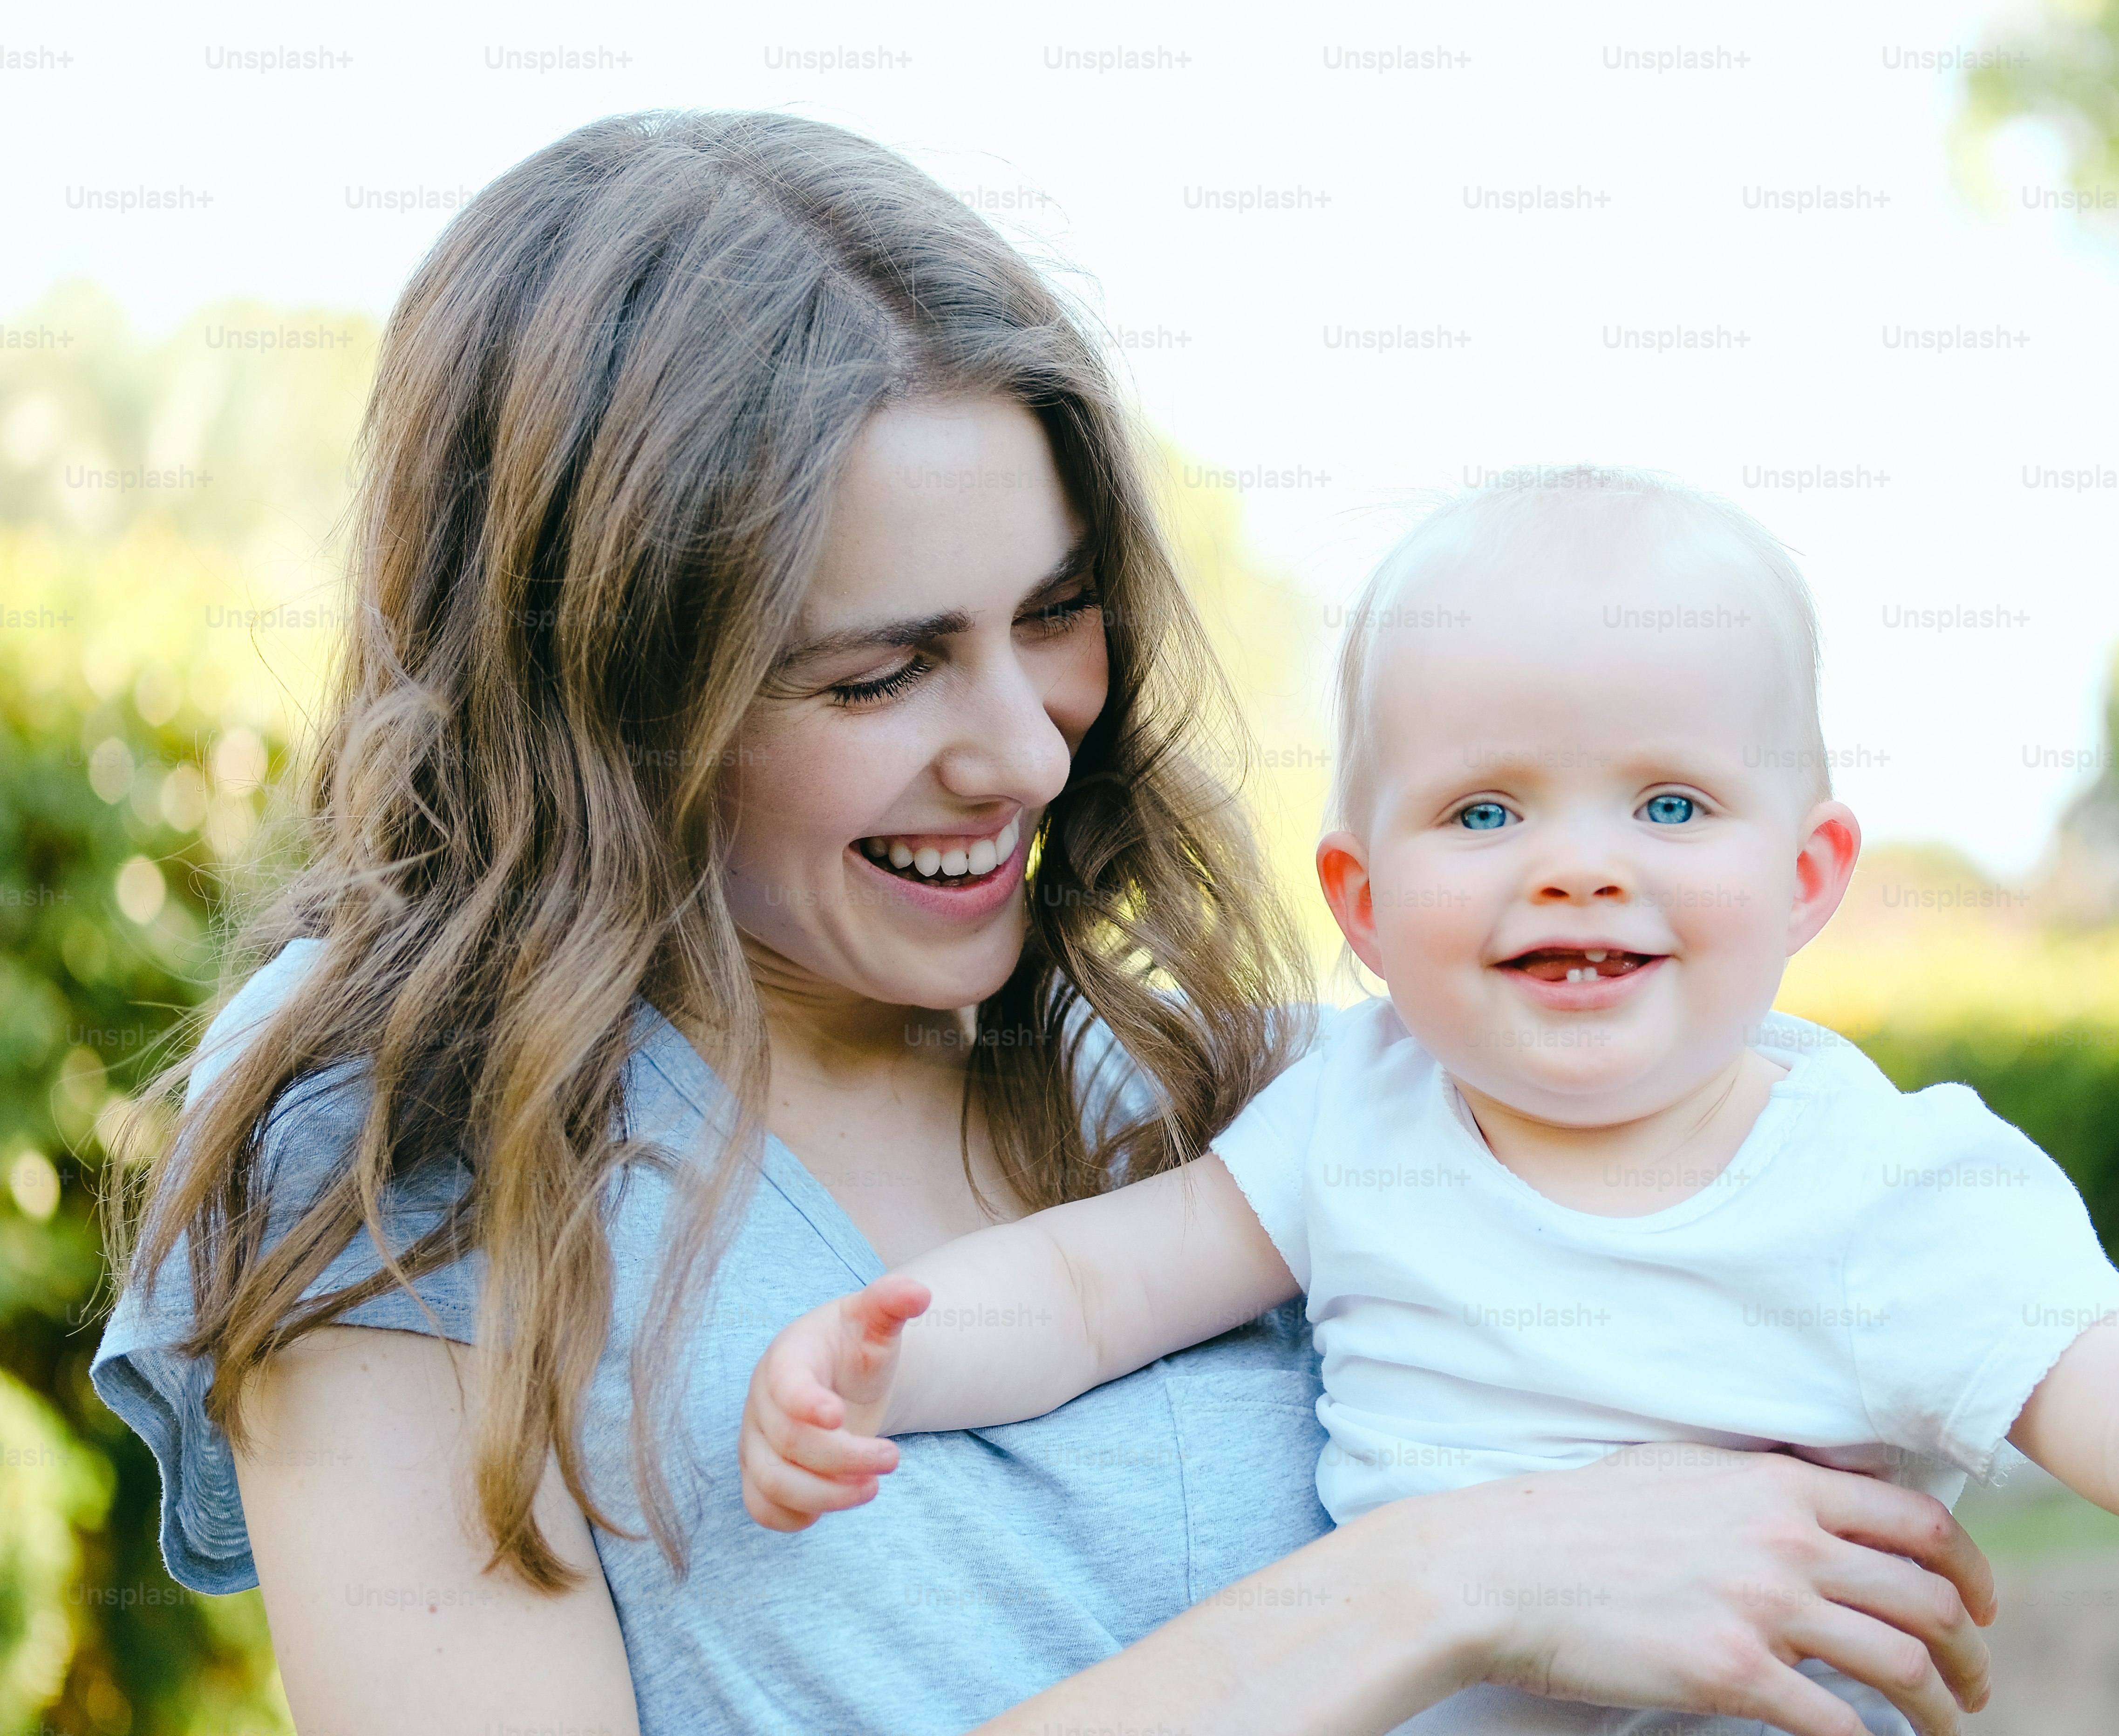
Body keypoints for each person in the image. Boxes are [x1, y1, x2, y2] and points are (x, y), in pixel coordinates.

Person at [92, 112, 2006, 1736]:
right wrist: (1444, 1579)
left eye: (1057, 612)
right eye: (878, 673)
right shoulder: (395, 1140)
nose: (1023, 748)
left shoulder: (1198, 1072)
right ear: (606, 696)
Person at [740, 471, 2119, 1735]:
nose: (1578, 870)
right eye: (1488, 815)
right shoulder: (1356, 1116)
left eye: (1668, 807)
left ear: (1810, 875)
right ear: (1359, 901)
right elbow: (1093, 1286)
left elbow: (2116, 1382)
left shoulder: (1886, 1183)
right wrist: (884, 1355)